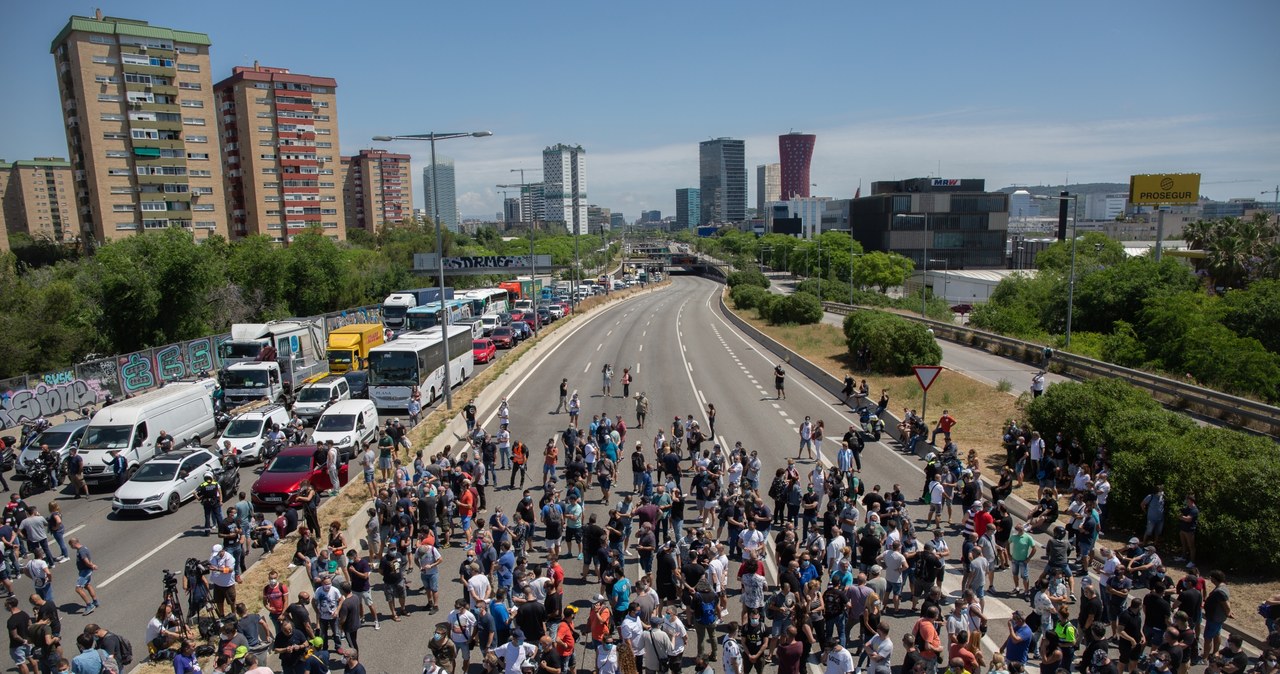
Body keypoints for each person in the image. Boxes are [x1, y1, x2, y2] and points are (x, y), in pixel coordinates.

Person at [68, 539, 98, 616]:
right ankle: (95, 601)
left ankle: (89, 605)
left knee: (78, 589)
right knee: (87, 585)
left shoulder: (81, 551)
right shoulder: (83, 548)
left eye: (71, 545)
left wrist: (92, 566)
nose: (71, 547)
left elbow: (86, 561)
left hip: (85, 572)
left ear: (74, 543)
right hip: (84, 571)